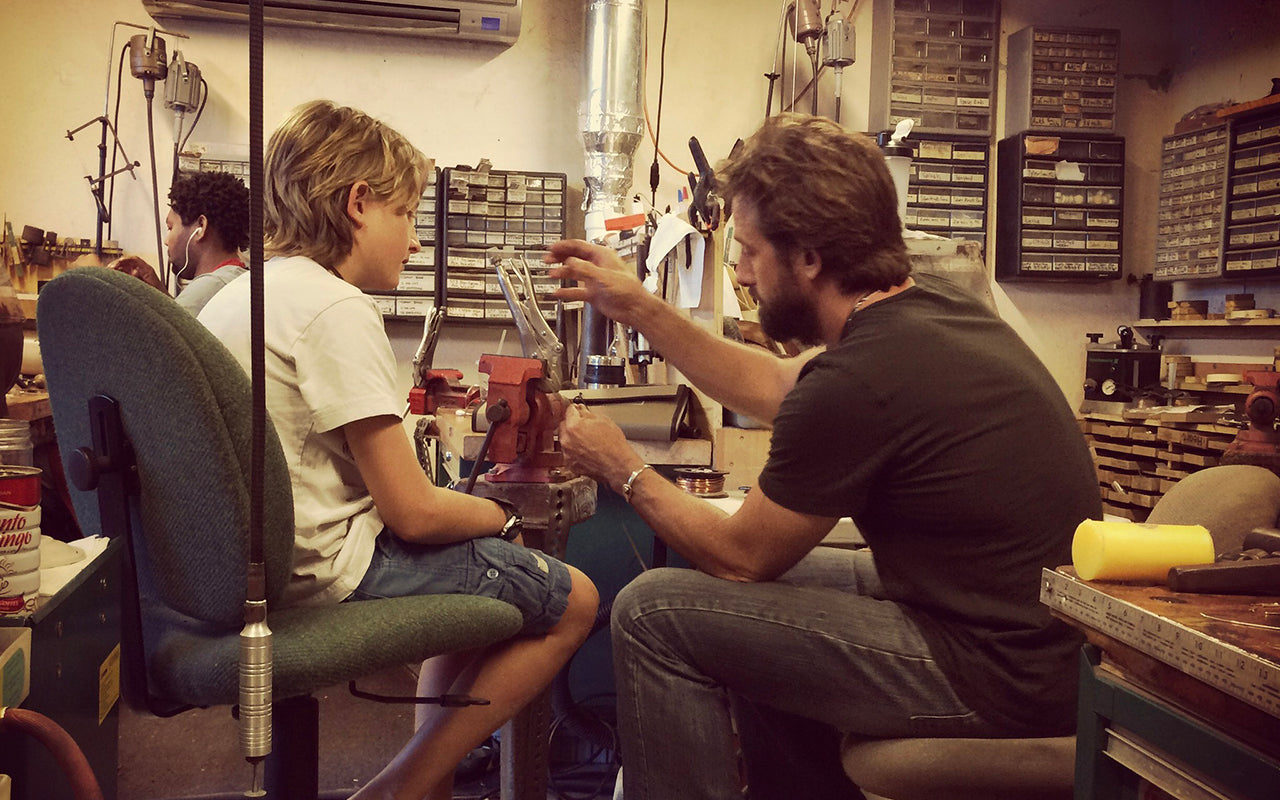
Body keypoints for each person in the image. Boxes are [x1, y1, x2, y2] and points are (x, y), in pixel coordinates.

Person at [547, 112, 1101, 800]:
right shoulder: (925, 313)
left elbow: (742, 556)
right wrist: (638, 307)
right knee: (736, 599)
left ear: (808, 257)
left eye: (750, 252)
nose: (741, 272)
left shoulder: (862, 377)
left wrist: (621, 466)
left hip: (998, 676)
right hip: (1022, 643)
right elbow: (774, 385)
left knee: (653, 613)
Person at [197, 99, 598, 800]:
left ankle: (426, 778)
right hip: (323, 570)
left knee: (473, 582)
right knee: (576, 601)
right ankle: (400, 787)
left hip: (238, 569)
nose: (414, 242)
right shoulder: (333, 305)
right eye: (407, 214)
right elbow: (414, 514)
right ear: (358, 204)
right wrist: (501, 517)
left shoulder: (241, 293)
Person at [165, 170, 250, 315]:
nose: (166, 241)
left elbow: (169, 326)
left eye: (170, 227)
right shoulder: (237, 278)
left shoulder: (208, 287)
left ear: (201, 227)